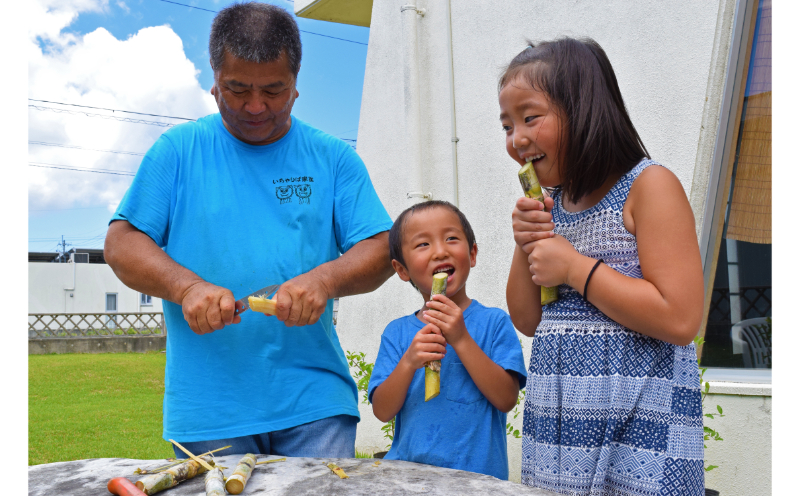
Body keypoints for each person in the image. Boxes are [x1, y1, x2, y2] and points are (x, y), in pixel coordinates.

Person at [103, 3, 394, 458]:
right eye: (238, 89)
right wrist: (187, 287)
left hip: (315, 403)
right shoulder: (177, 152)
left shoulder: (333, 159)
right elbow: (121, 243)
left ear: (296, 85)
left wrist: (325, 280)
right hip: (210, 409)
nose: (255, 106)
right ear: (215, 80)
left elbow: (380, 247)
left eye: (273, 90)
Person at [501, 37, 705, 495]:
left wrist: (575, 268)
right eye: (507, 126)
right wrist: (527, 240)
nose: (517, 139)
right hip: (562, 437)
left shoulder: (649, 187)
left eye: (530, 117)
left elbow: (680, 317)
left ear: (584, 108)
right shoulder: (552, 205)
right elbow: (529, 319)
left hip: (642, 431)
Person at [367, 201, 527, 480]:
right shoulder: (398, 333)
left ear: (472, 253)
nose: (440, 251)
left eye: (451, 238)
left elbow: (506, 398)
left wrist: (462, 339)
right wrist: (408, 363)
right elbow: (382, 411)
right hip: (411, 479)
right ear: (402, 270)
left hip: (477, 482)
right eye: (422, 245)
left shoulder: (494, 323)